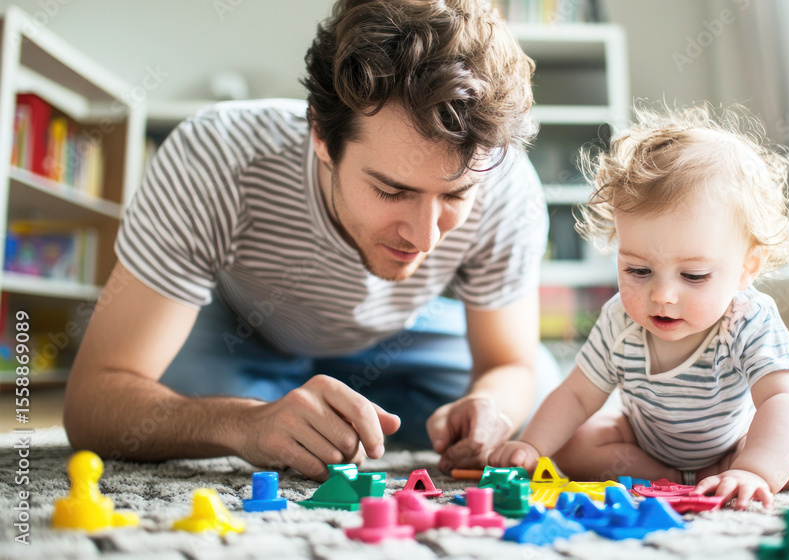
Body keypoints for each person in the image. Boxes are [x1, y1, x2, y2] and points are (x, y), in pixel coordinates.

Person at [64, 0, 560, 481]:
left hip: (402, 336)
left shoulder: (506, 183)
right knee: (161, 406)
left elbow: (508, 363)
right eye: (391, 189)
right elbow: (93, 401)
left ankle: (322, 414)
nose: (426, 236)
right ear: (322, 136)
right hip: (242, 330)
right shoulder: (215, 157)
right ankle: (283, 407)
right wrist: (244, 423)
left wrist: (490, 405)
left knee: (538, 392)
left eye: (456, 194)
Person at [489, 104, 789, 509]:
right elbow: (577, 396)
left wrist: (754, 469)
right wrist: (532, 445)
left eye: (693, 276)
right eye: (638, 270)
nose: (662, 295)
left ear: (747, 268)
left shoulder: (748, 319)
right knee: (570, 447)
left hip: (734, 445)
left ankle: (723, 472)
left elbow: (783, 397)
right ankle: (672, 480)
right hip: (644, 446)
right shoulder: (620, 318)